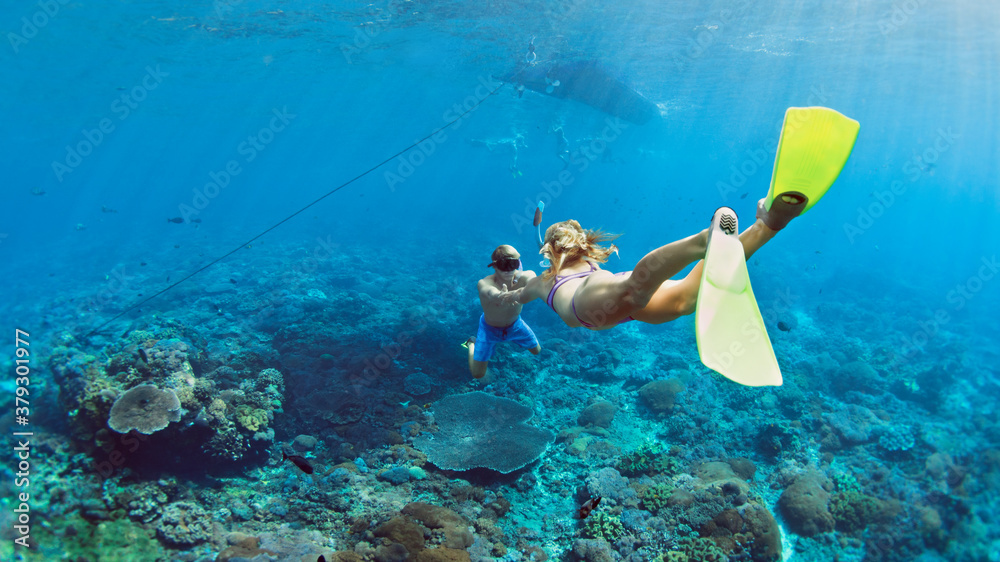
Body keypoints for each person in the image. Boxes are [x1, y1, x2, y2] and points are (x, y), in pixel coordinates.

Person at [503, 201, 797, 330]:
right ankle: (768, 225)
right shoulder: (589, 261)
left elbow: (519, 297)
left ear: (551, 250)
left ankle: (702, 241)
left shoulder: (543, 279)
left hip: (588, 302)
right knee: (685, 299)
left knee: (633, 290)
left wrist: (509, 294)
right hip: (616, 292)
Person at [465, 245, 542, 378]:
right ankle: (472, 343)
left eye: (512, 264)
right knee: (478, 374)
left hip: (515, 325)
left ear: (519, 264)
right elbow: (489, 291)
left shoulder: (525, 276)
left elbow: (534, 282)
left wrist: (519, 292)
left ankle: (512, 339)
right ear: (494, 266)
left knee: (537, 351)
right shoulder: (484, 283)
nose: (508, 270)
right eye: (503, 265)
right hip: (489, 329)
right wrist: (499, 295)